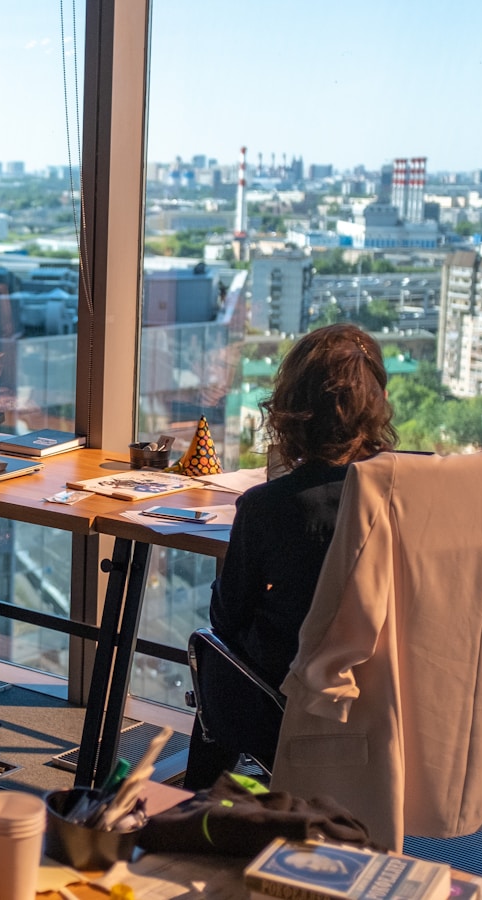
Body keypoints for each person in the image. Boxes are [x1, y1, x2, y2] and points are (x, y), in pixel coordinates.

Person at [183, 323, 397, 788]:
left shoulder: (267, 507)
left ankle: (195, 823)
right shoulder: (416, 488)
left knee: (211, 646)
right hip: (397, 698)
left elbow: (226, 619)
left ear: (291, 410)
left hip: (296, 706)